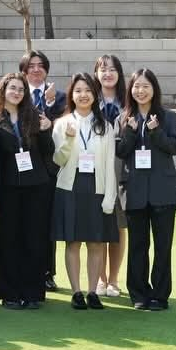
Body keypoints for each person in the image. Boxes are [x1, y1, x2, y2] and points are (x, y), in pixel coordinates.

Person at [51, 73, 120, 311]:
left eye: (88, 90)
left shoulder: (105, 126)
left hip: (97, 188)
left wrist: (110, 197)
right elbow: (58, 160)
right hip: (70, 187)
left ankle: (92, 291)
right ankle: (76, 292)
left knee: (96, 242)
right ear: (71, 95)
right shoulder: (61, 124)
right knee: (73, 242)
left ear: (95, 95)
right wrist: (69, 139)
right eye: (78, 90)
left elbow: (109, 164)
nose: (83, 95)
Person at [116, 68, 176, 311]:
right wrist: (130, 132)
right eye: (136, 86)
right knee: (137, 246)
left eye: (145, 86)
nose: (140, 91)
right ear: (130, 90)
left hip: (163, 191)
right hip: (134, 191)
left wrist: (155, 131)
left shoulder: (168, 117)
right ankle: (138, 293)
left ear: (154, 89)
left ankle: (160, 295)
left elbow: (174, 147)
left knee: (163, 247)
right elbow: (121, 152)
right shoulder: (123, 118)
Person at [0, 72, 55, 310]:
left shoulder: (35, 116)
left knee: (34, 240)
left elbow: (48, 150)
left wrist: (46, 129)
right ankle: (10, 293)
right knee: (8, 240)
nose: (16, 92)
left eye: (21, 89)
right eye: (12, 88)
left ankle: (33, 292)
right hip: (8, 188)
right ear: (3, 90)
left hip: (36, 186)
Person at [21, 48, 64, 290]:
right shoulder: (17, 93)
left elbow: (62, 126)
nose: (36, 69)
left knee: (46, 221)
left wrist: (48, 105)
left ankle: (47, 271)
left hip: (47, 168)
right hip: (20, 166)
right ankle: (25, 268)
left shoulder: (59, 97)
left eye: (40, 65)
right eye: (31, 66)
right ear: (24, 70)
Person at [94, 54, 129, 299]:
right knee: (96, 224)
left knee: (118, 225)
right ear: (96, 73)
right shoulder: (87, 98)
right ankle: (99, 278)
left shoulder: (128, 102)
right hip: (93, 167)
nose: (107, 74)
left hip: (121, 168)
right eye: (103, 69)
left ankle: (114, 279)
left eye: (112, 69)